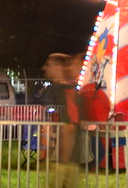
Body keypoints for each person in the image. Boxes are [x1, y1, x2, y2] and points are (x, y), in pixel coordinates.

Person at [42, 53, 82, 188]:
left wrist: (63, 163)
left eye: (49, 64)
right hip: (61, 161)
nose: (44, 68)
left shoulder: (67, 92)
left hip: (66, 163)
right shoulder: (58, 90)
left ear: (58, 67)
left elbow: (70, 127)